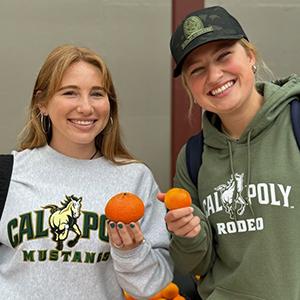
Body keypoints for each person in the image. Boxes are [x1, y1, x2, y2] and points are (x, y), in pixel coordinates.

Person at [0, 44, 173, 299]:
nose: (86, 107)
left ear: (109, 104)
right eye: (70, 93)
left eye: (96, 94)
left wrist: (131, 252)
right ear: (42, 103)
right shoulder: (8, 174)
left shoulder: (134, 178)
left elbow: (150, 287)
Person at [159, 5, 300, 300]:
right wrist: (188, 233)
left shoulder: (295, 122)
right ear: (190, 88)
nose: (214, 75)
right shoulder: (193, 157)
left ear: (250, 57)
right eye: (197, 70)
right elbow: (193, 263)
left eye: (224, 56)